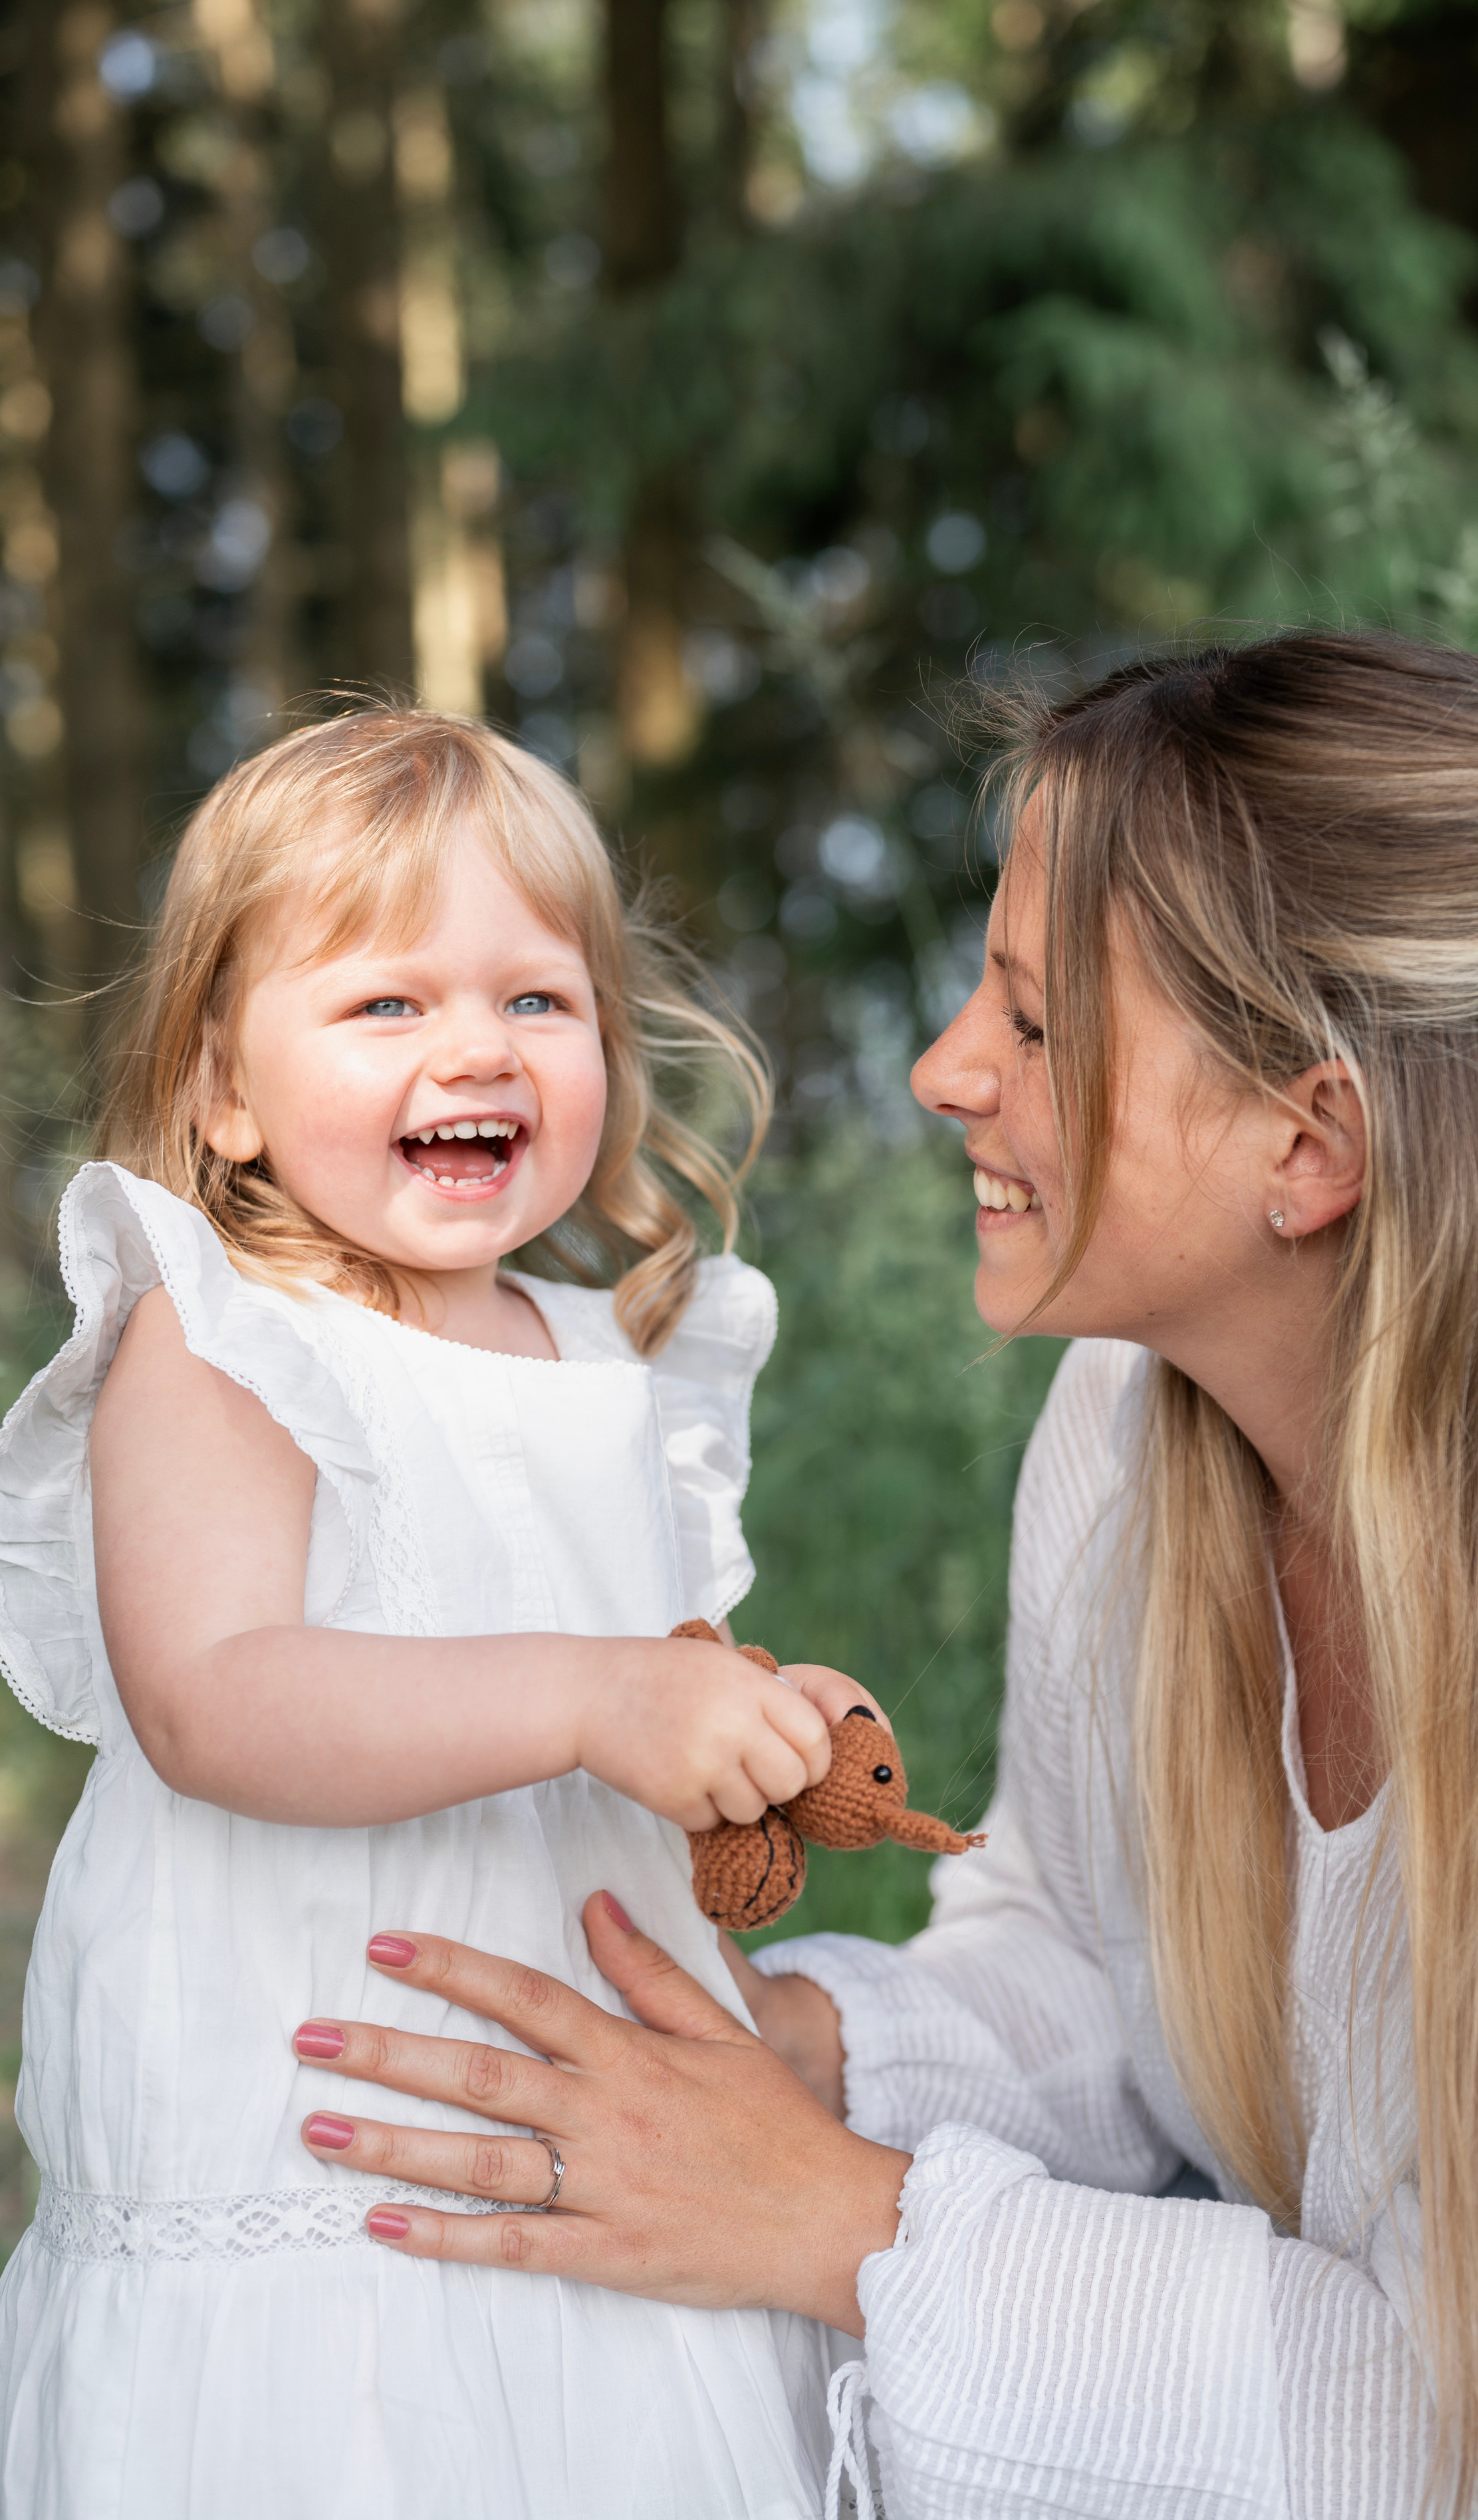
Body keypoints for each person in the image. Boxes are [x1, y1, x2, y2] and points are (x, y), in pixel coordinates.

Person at [287, 634, 1478, 2520]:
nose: (946, 1069)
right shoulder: (1134, 1429)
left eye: (1036, 1026)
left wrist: (852, 2227)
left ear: (1312, 1142)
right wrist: (791, 2052)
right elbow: (1094, 1970)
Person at [0, 708, 884, 2518]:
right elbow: (216, 1697)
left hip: (600, 2154)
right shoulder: (224, 1340)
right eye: (387, 1003)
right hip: (320, 2179)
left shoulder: (608, 1358)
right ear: (225, 1088)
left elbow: (649, 1677)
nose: (474, 1045)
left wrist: (750, 1713)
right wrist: (590, 1697)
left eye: (537, 1002)